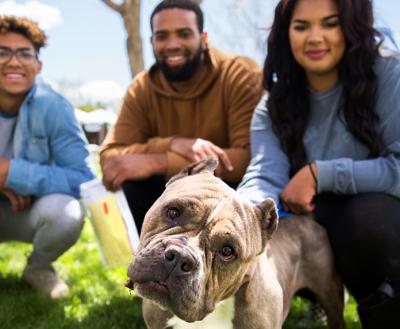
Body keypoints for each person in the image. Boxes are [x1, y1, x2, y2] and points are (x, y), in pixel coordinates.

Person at [237, 0, 400, 327]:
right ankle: (319, 298)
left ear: (352, 27)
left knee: (366, 220)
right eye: (301, 27)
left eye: (330, 23)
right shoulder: (272, 106)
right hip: (311, 219)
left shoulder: (388, 73)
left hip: (378, 219)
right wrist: (240, 214)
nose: (314, 37)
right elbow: (264, 174)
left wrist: (320, 174)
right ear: (286, 35)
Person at [100, 0, 263, 233]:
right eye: (162, 36)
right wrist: (173, 144)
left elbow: (249, 160)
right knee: (127, 180)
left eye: (184, 34)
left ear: (203, 38)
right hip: (165, 201)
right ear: (152, 42)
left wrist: (161, 162)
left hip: (225, 199)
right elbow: (110, 159)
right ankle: (147, 262)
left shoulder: (239, 75)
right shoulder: (142, 88)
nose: (173, 44)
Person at [0, 16, 95, 299]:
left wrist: (13, 173)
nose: (14, 62)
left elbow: (84, 179)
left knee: (67, 213)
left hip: (24, 210)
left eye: (24, 53)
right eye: (3, 52)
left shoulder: (55, 107)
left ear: (38, 66)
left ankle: (38, 267)